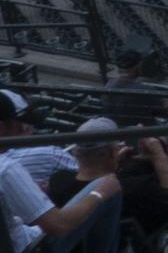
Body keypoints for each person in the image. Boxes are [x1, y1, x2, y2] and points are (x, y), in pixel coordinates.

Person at [0, 91, 123, 253]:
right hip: (29, 248)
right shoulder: (7, 169)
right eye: (17, 125)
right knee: (107, 184)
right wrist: (99, 195)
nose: (21, 131)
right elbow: (58, 226)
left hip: (18, 236)